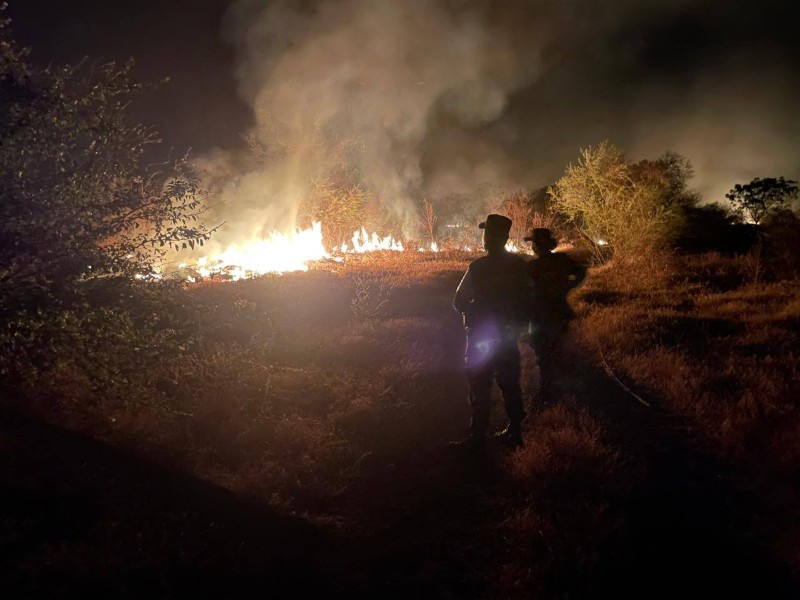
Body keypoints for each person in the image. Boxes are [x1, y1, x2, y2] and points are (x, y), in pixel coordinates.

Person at [452, 214, 528, 449]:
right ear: (506, 238)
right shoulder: (519, 266)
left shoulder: (478, 267)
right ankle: (515, 433)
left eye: (486, 232)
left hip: (481, 337)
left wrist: (474, 309)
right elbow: (529, 298)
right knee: (510, 384)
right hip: (507, 334)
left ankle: (477, 437)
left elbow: (458, 300)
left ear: (489, 238)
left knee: (480, 385)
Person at [524, 228, 586, 405]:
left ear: (538, 246)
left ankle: (548, 392)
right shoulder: (561, 260)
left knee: (543, 354)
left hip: (540, 315)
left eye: (534, 243)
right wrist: (568, 285)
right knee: (559, 350)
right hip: (559, 312)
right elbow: (580, 272)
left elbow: (526, 290)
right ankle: (562, 387)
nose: (533, 246)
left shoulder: (533, 267)